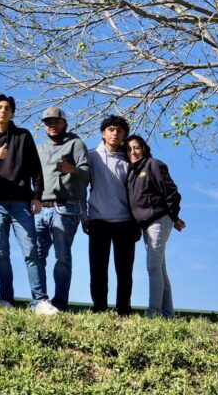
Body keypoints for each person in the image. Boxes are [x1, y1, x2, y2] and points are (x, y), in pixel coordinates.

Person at [0, 94, 59, 315]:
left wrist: (37, 196)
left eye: (7, 108)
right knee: (2, 254)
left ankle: (39, 300)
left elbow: (36, 168)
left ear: (13, 113)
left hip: (21, 202)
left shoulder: (22, 136)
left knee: (30, 251)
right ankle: (7, 300)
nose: (3, 110)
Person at [35, 106, 90, 311]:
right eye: (48, 122)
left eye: (56, 121)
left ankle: (60, 302)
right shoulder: (40, 149)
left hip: (65, 208)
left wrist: (72, 170)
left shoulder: (75, 144)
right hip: (41, 208)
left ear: (64, 123)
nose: (52, 125)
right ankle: (40, 300)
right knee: (37, 255)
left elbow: (87, 174)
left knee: (62, 257)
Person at [125, 135, 185, 318]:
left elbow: (171, 192)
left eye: (136, 148)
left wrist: (174, 217)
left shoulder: (153, 165)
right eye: (129, 149)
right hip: (145, 225)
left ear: (144, 148)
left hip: (159, 219)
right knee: (159, 268)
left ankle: (153, 312)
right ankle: (168, 314)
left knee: (152, 267)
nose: (133, 152)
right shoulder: (132, 173)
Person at [85, 115, 139, 315]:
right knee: (98, 269)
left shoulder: (130, 159)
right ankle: (99, 307)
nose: (115, 133)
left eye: (119, 131)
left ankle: (124, 309)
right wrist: (85, 216)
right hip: (98, 219)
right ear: (103, 133)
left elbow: (138, 194)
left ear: (124, 135)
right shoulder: (92, 156)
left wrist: (137, 224)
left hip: (125, 222)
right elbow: (81, 186)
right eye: (111, 129)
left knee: (125, 271)